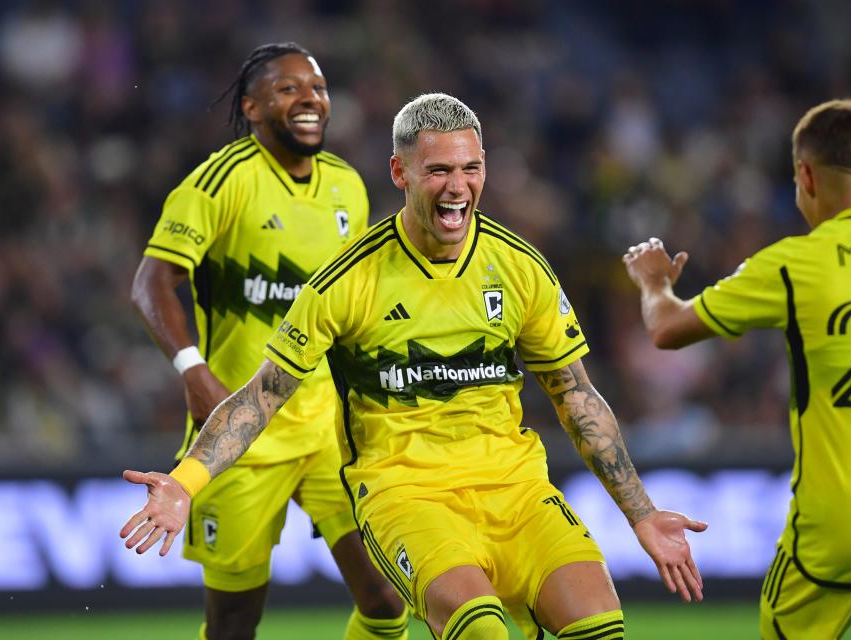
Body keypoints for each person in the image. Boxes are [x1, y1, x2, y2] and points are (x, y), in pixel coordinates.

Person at [122, 92, 707, 640]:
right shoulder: (348, 281)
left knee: (601, 629)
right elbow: (260, 398)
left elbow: (576, 396)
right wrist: (184, 482)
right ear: (401, 173)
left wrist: (643, 514)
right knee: (479, 627)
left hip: (518, 490)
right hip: (406, 494)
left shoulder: (519, 266)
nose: (458, 188)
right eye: (439, 171)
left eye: (470, 168)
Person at [622, 99, 851, 639]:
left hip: (843, 524)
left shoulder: (795, 263)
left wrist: (654, 281)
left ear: (805, 176)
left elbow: (667, 329)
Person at [128, 42, 408, 640]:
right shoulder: (220, 181)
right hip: (241, 433)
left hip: (331, 430)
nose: (309, 99)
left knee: (388, 598)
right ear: (252, 108)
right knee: (233, 623)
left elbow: (352, 311)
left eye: (318, 88)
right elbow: (151, 282)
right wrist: (194, 372)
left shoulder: (347, 187)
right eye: (289, 89)